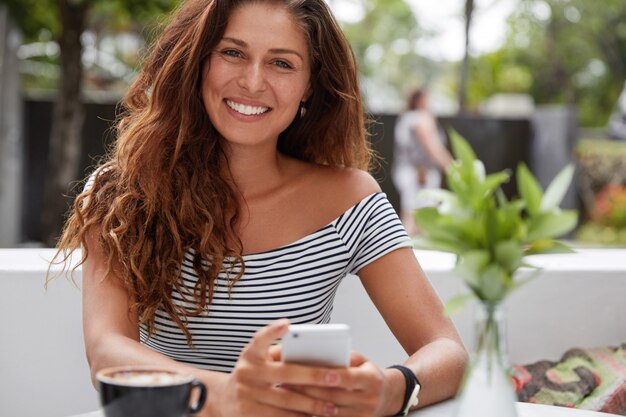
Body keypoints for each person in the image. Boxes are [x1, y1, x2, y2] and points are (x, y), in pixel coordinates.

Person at [54, 1, 467, 416]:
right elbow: (107, 352)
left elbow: (446, 350)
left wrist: (391, 389)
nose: (253, 82)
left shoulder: (350, 200)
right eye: (232, 53)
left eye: (282, 63)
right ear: (199, 62)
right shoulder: (121, 193)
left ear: (309, 84)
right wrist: (230, 395)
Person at [392, 89, 453, 235]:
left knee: (413, 215)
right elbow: (431, 146)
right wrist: (452, 167)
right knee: (416, 218)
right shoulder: (420, 118)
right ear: (420, 101)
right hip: (418, 174)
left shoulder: (406, 118)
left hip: (407, 172)